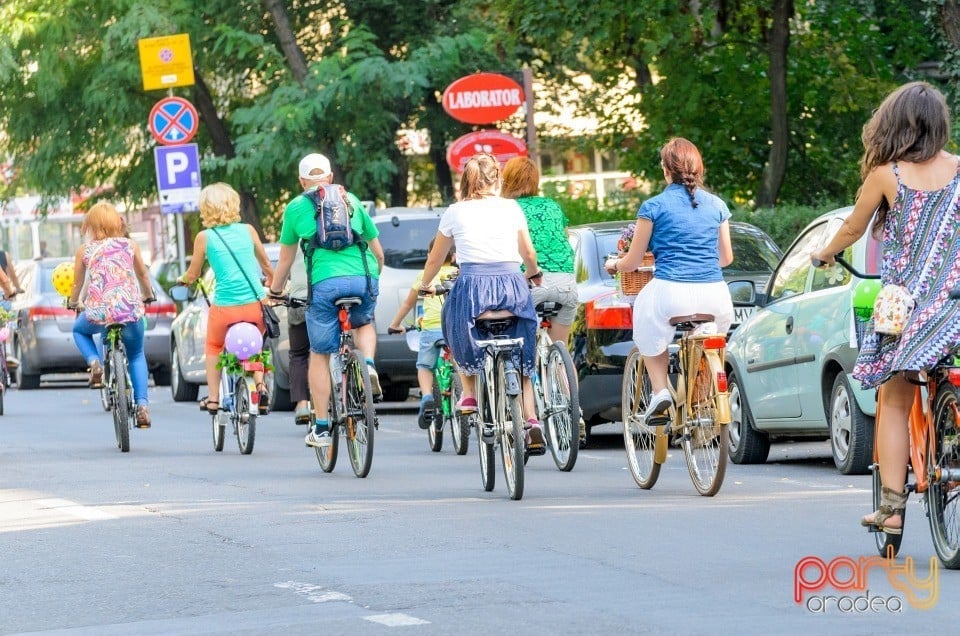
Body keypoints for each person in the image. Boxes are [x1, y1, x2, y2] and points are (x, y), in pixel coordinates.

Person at [811, 81, 960, 535]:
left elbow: (854, 227)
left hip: (909, 310)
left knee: (893, 398)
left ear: (894, 126)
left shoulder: (886, 175)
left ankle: (892, 511)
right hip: (956, 305)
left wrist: (824, 253)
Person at [418, 153, 546, 453]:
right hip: (512, 286)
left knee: (452, 320)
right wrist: (533, 274)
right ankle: (531, 420)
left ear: (466, 181)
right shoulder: (511, 208)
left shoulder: (455, 211)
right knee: (520, 359)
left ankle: (471, 393)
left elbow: (436, 257)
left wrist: (425, 284)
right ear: (498, 179)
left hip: (473, 288)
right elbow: (528, 253)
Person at [604, 137, 734, 423]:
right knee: (707, 337)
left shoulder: (653, 206)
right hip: (716, 296)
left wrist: (614, 264)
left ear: (666, 169)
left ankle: (661, 391)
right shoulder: (717, 206)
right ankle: (700, 396)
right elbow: (726, 259)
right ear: (698, 168)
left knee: (647, 325)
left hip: (671, 291)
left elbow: (634, 261)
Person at [269, 153, 384, 449]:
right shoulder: (352, 201)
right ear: (330, 178)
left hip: (323, 283)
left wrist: (275, 291)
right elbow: (378, 252)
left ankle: (321, 427)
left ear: (301, 181)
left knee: (319, 354)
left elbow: (285, 261)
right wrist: (372, 278)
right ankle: (368, 364)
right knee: (364, 321)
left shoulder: (296, 208)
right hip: (363, 276)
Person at [176, 182, 276, 417]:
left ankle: (212, 399)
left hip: (225, 308)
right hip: (255, 306)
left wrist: (183, 280)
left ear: (206, 209)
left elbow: (193, 274)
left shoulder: (204, 237)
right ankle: (259, 385)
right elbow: (265, 264)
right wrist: (272, 281)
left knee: (213, 346)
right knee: (255, 342)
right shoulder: (249, 230)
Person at [66, 202, 155, 427]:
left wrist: (74, 301)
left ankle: (95, 362)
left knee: (78, 330)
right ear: (117, 223)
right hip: (128, 309)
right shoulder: (129, 245)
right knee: (136, 354)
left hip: (99, 312)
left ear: (91, 227)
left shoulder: (84, 251)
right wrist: (147, 294)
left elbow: (77, 284)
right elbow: (143, 275)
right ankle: (142, 406)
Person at [501, 156, 578, 346]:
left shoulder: (506, 208)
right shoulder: (552, 205)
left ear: (507, 179)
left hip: (527, 282)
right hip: (565, 283)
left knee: (519, 350)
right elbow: (565, 237)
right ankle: (561, 370)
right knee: (561, 351)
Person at [388, 239, 458, 429]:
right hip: (453, 328)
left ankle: (427, 396)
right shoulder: (457, 274)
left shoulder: (424, 277)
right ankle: (462, 392)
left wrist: (395, 324)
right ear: (454, 257)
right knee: (460, 364)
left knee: (425, 366)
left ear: (430, 256)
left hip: (431, 328)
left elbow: (407, 304)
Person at [286, 248, 313, 425]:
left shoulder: (295, 226)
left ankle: (302, 404)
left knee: (298, 354)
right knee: (327, 350)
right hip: (330, 295)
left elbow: (284, 264)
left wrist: (276, 289)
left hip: (300, 301)